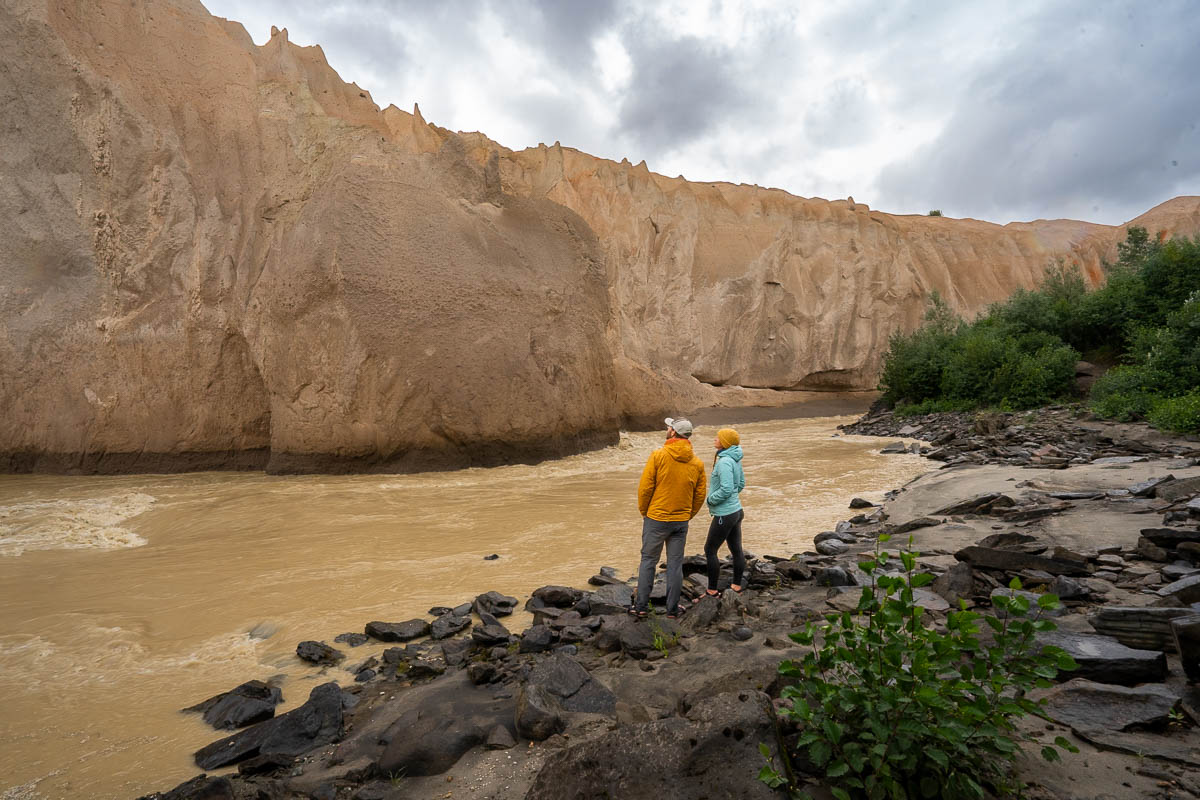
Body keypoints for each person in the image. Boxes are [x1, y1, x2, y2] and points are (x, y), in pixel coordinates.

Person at [631, 416, 707, 619]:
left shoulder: (658, 455)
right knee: (675, 565)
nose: (667, 429)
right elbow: (700, 496)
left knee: (648, 561)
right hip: (680, 521)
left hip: (656, 518)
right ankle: (672, 610)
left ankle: (640, 607)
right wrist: (687, 515)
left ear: (673, 432)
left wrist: (645, 512)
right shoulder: (697, 463)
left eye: (669, 428)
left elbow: (645, 488)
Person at [697, 428, 746, 600]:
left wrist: (711, 500)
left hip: (725, 514)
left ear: (725, 442)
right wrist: (732, 497)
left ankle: (712, 591)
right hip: (736, 511)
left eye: (718, 437)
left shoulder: (725, 461)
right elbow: (740, 484)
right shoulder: (735, 457)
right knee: (736, 550)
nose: (715, 439)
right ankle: (737, 586)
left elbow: (726, 489)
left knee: (710, 550)